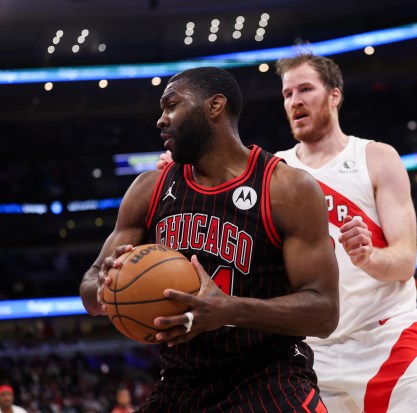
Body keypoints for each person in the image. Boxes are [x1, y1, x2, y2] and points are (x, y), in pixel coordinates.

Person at [80, 66, 339, 412]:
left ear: (215, 106)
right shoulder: (148, 189)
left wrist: (229, 309)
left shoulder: (286, 188)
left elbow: (324, 312)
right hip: (180, 383)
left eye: (171, 105)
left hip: (267, 378)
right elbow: (90, 286)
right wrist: (104, 287)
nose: (160, 119)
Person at [273, 53, 417, 412]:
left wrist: (368, 256)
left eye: (305, 89)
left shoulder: (376, 157)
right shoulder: (276, 172)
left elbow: (405, 261)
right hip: (313, 352)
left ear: (334, 95)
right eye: (287, 94)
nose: (294, 100)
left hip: (388, 337)